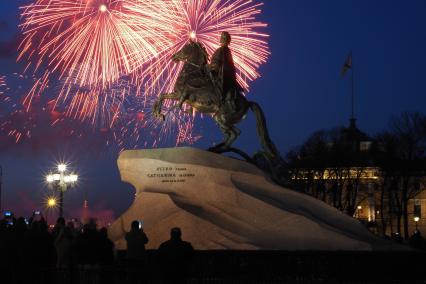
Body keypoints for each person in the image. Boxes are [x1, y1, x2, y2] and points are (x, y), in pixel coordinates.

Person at [208, 31, 244, 106]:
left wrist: (212, 69)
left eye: (222, 38)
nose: (221, 39)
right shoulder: (225, 50)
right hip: (225, 72)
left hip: (222, 73)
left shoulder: (223, 50)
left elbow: (217, 61)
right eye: (222, 37)